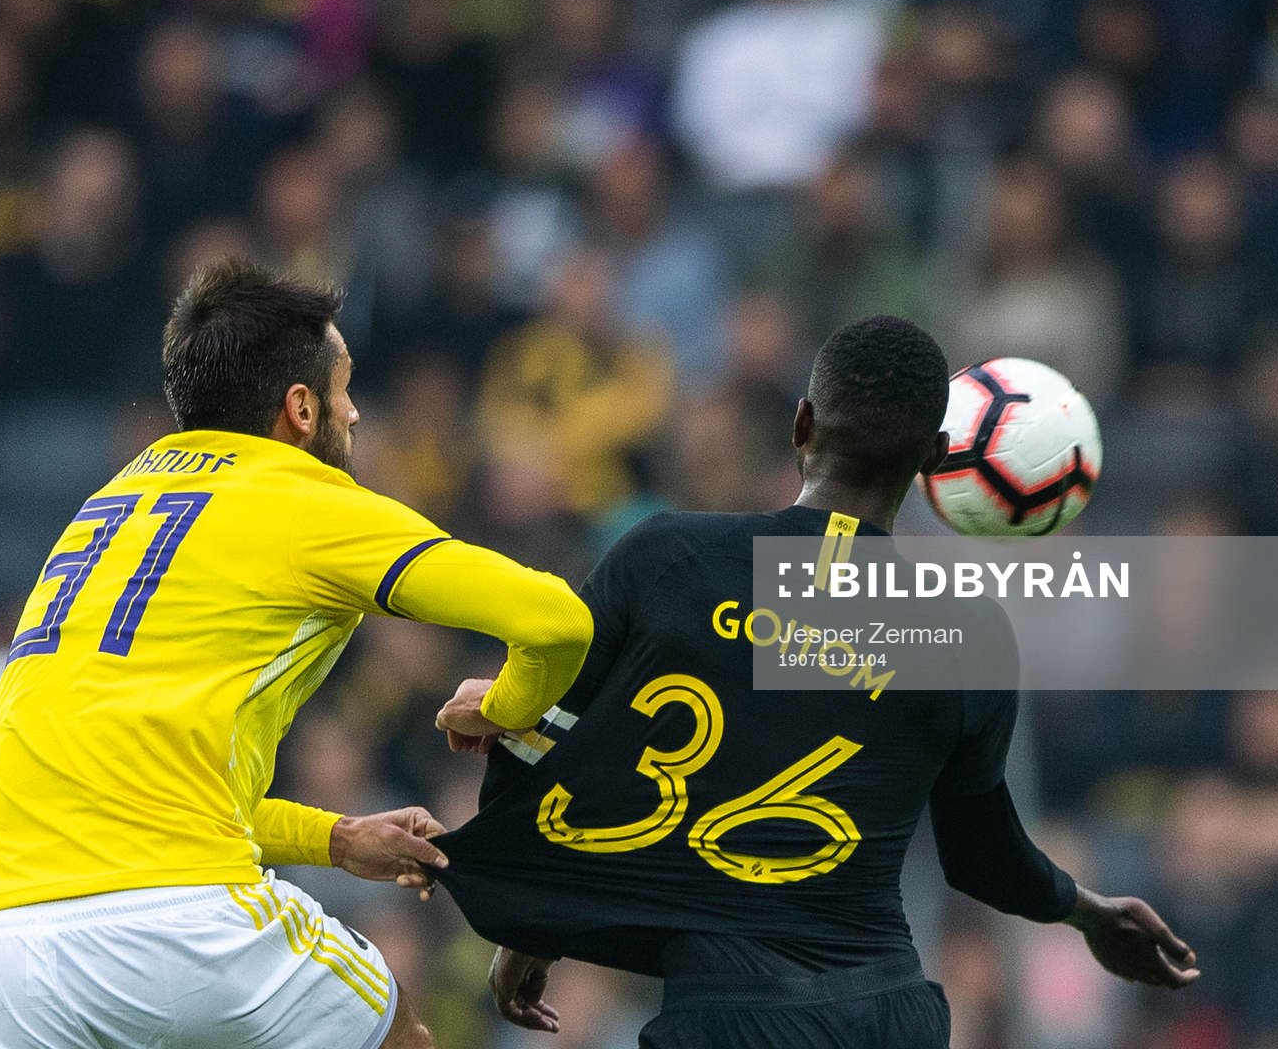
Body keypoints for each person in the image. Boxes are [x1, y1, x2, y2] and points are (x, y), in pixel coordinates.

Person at [430, 315, 1199, 1048]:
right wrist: (1089, 911)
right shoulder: (968, 633)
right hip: (888, 1016)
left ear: (801, 425)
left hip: (729, 1020)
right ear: (934, 460)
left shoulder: (665, 558)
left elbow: (550, 743)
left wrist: (534, 921)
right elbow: (981, 855)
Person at [0, 259, 594, 1048]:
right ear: (299, 407)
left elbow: (154, 801)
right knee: (403, 1038)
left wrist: (334, 838)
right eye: (344, 387)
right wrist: (501, 709)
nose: (354, 413)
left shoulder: (108, 508)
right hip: (182, 921)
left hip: (5, 950)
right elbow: (558, 620)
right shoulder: (305, 499)